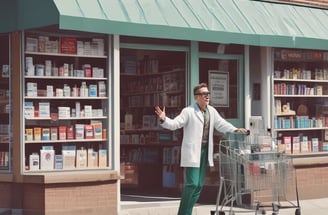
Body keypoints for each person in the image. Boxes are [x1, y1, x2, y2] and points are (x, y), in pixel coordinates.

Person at [155, 82, 247, 215]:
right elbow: (175, 124)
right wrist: (164, 119)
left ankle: (188, 212)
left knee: (198, 186)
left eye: (208, 94)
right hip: (193, 152)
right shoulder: (188, 111)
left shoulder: (211, 111)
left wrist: (235, 129)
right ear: (196, 97)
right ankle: (183, 213)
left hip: (204, 151)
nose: (207, 96)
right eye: (203, 94)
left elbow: (221, 124)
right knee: (191, 184)